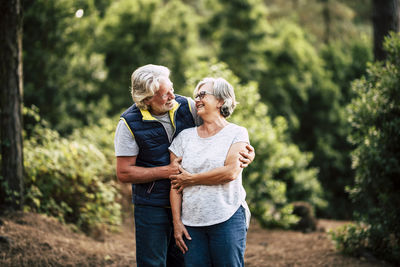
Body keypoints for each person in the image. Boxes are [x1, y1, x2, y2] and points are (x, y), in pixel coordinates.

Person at [114, 65, 254, 267]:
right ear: (147, 99)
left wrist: (248, 152)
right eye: (165, 94)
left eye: (171, 88)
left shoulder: (186, 106)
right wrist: (167, 172)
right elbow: (124, 172)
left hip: (188, 204)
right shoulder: (128, 124)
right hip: (152, 204)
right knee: (152, 263)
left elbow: (219, 130)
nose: (173, 96)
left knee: (181, 261)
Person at [169, 77, 251, 267]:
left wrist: (191, 179)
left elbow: (230, 172)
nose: (197, 99)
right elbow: (175, 183)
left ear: (221, 101)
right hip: (191, 223)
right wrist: (177, 222)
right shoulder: (184, 138)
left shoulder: (237, 133)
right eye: (196, 95)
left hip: (227, 217)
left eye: (203, 94)